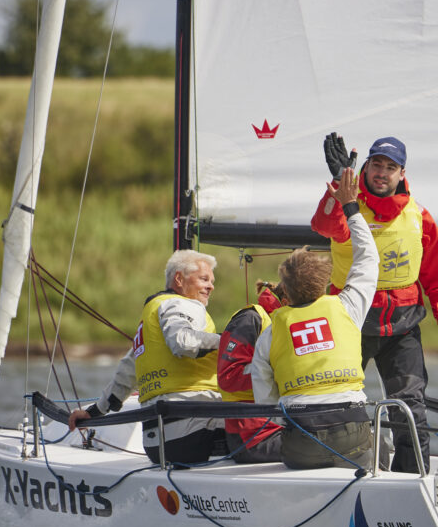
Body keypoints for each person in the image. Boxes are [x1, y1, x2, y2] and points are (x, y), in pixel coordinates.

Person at [311, 133, 438, 473]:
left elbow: (437, 276)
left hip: (402, 324)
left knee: (410, 407)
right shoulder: (347, 205)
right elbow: (323, 225)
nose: (382, 173)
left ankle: (412, 480)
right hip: (350, 320)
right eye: (376, 164)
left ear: (402, 173)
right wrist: (338, 185)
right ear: (365, 167)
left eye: (390, 167)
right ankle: (327, 470)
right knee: (334, 398)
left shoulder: (419, 215)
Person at [252, 167, 380, 470]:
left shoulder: (272, 331)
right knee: (380, 448)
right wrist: (351, 207)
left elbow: (264, 396)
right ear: (323, 281)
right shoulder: (347, 308)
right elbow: (368, 258)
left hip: (303, 440)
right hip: (353, 433)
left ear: (286, 291)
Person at [68, 250, 223, 466]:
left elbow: (126, 374)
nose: (210, 286)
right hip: (193, 434)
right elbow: (183, 341)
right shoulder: (182, 304)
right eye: (204, 279)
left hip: (156, 445)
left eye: (212, 281)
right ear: (179, 279)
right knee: (269, 425)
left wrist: (93, 412)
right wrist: (230, 341)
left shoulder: (150, 319)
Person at [217, 280, 285, 463]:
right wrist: (281, 372)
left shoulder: (286, 320)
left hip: (277, 426)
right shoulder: (251, 318)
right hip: (249, 435)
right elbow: (228, 377)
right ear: (288, 297)